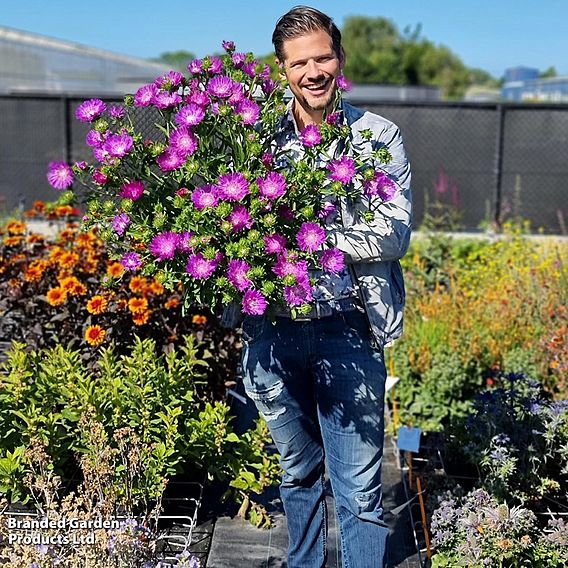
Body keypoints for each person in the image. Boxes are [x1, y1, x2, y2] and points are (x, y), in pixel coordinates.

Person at [238, 6, 412, 567]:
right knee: (297, 473)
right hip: (272, 331)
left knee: (361, 492)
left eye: (323, 57)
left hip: (349, 326)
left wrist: (313, 237)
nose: (314, 71)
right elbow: (224, 229)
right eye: (300, 62)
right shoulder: (253, 142)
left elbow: (392, 231)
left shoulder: (378, 137)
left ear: (339, 60)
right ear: (282, 69)